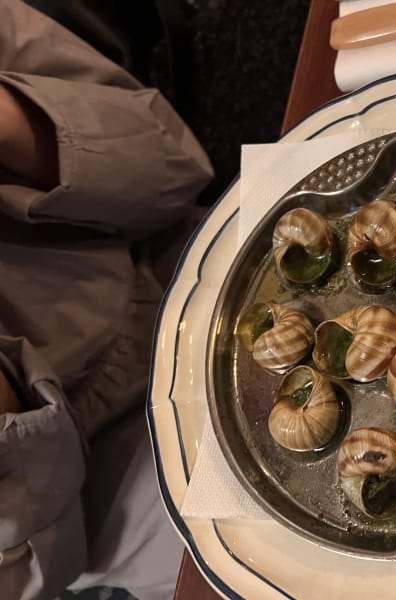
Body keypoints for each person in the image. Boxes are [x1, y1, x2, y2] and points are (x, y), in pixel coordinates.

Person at [0, 1, 214, 599]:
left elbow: (178, 165)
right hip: (104, 497)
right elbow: (51, 564)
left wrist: (13, 123)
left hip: (171, 263)